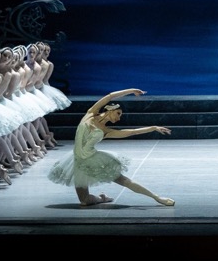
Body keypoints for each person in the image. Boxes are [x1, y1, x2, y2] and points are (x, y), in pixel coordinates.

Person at [47, 88, 175, 207]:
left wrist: (153, 128)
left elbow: (132, 132)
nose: (118, 118)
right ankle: (102, 198)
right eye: (118, 114)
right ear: (110, 110)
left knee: (124, 180)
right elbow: (110, 96)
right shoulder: (90, 113)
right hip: (76, 160)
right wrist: (131, 90)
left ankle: (157, 197)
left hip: (93, 160)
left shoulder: (107, 131)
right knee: (84, 201)